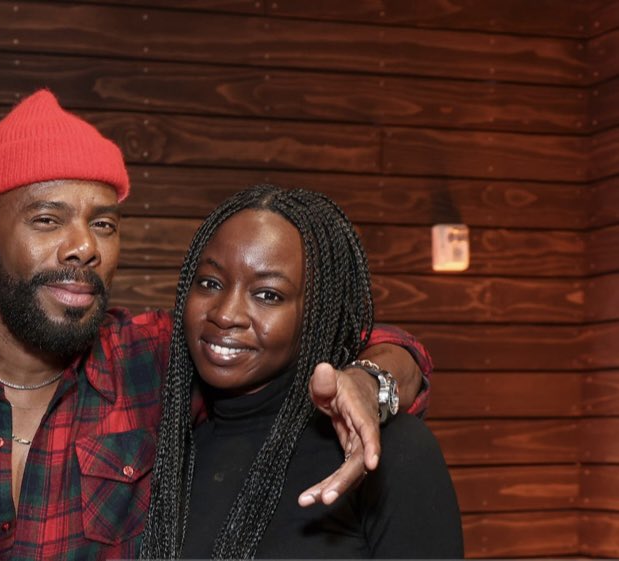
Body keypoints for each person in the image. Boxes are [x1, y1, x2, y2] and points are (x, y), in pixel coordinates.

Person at [0, 90, 431, 560]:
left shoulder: (157, 360)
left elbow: (366, 344)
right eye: (46, 220)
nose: (83, 247)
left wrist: (369, 377)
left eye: (104, 224)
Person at [140, 185, 463, 559]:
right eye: (210, 283)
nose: (225, 314)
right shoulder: (169, 449)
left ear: (317, 314)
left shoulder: (385, 450)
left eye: (268, 295)